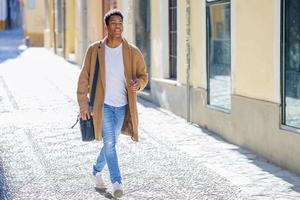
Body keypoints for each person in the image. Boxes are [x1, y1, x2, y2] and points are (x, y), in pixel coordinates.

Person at [76, 9, 148, 198]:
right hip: (103, 106)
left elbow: (143, 75)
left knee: (112, 143)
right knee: (109, 143)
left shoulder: (132, 51)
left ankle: (95, 171)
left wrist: (138, 84)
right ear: (106, 26)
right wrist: (84, 105)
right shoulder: (95, 50)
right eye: (114, 23)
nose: (118, 26)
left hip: (123, 106)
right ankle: (117, 182)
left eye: (120, 23)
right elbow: (84, 78)